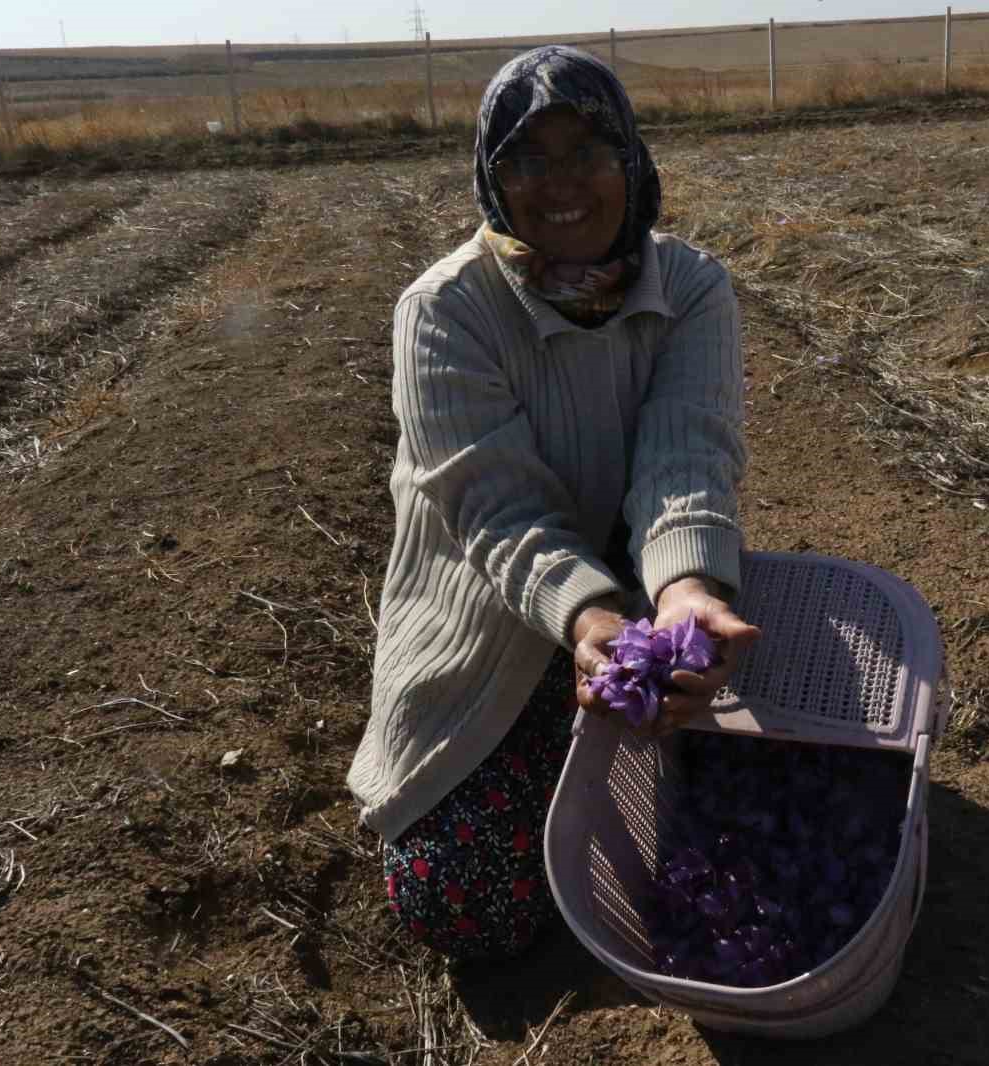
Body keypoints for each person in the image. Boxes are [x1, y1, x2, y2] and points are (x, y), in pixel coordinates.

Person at [346, 45, 760, 961]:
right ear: (492, 179)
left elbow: (686, 456)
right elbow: (494, 509)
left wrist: (687, 592)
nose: (561, 183)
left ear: (633, 162)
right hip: (488, 609)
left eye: (588, 152)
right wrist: (584, 615)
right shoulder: (445, 309)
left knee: (745, 808)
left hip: (642, 589)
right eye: (527, 158)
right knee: (462, 902)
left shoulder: (690, 287)